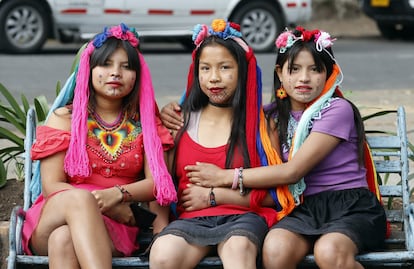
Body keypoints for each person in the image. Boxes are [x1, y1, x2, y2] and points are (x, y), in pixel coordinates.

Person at [167, 26, 388, 269]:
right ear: (280, 74)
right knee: (275, 249)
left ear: (329, 74)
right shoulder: (269, 117)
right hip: (302, 208)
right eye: (294, 69)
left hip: (349, 207)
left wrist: (224, 177)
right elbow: (225, 108)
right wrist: (175, 111)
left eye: (315, 69)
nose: (304, 78)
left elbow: (292, 172)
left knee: (329, 251)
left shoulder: (336, 110)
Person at [21, 23, 177, 269]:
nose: (116, 73)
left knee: (63, 240)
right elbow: (52, 186)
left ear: (137, 76)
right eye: (106, 64)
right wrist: (102, 204)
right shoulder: (65, 118)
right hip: (54, 213)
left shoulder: (144, 122)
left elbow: (156, 182)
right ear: (89, 70)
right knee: (79, 201)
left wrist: (117, 195)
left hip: (113, 228)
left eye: (126, 67)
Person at [149, 19, 296, 269]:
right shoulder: (179, 122)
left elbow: (278, 195)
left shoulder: (263, 126)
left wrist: (213, 196)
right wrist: (160, 227)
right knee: (163, 256)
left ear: (243, 71)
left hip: (244, 218)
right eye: (205, 68)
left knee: (238, 251)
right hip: (190, 219)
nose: (214, 78)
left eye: (225, 67)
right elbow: (161, 184)